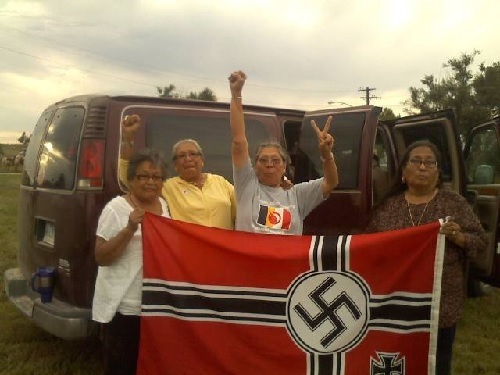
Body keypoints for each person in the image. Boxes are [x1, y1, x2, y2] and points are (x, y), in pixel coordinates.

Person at [365, 140, 487, 375]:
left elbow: (480, 241)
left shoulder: (454, 203)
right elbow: (368, 247)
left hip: (440, 306)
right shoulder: (388, 208)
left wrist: (459, 237)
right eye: (416, 161)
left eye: (430, 163)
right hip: (396, 302)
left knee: (437, 362)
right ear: (403, 171)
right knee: (399, 359)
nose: (423, 167)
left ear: (438, 172)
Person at [228, 70, 339, 234]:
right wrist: (236, 94)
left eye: (275, 160)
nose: (269, 165)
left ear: (285, 166)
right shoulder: (247, 185)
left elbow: (330, 182)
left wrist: (326, 154)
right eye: (263, 160)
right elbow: (239, 141)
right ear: (255, 165)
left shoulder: (297, 195)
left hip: (286, 260)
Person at [92, 149, 170, 375]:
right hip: (124, 307)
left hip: (153, 305)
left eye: (156, 177)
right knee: (122, 366)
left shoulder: (163, 206)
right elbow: (101, 257)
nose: (150, 182)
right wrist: (129, 229)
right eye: (143, 176)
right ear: (131, 179)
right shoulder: (116, 209)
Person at [120, 115, 236, 229]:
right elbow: (130, 179)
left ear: (202, 161)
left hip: (221, 246)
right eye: (181, 156)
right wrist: (128, 140)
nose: (188, 159)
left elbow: (243, 207)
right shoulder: (168, 187)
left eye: (193, 154)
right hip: (189, 246)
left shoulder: (220, 182)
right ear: (175, 165)